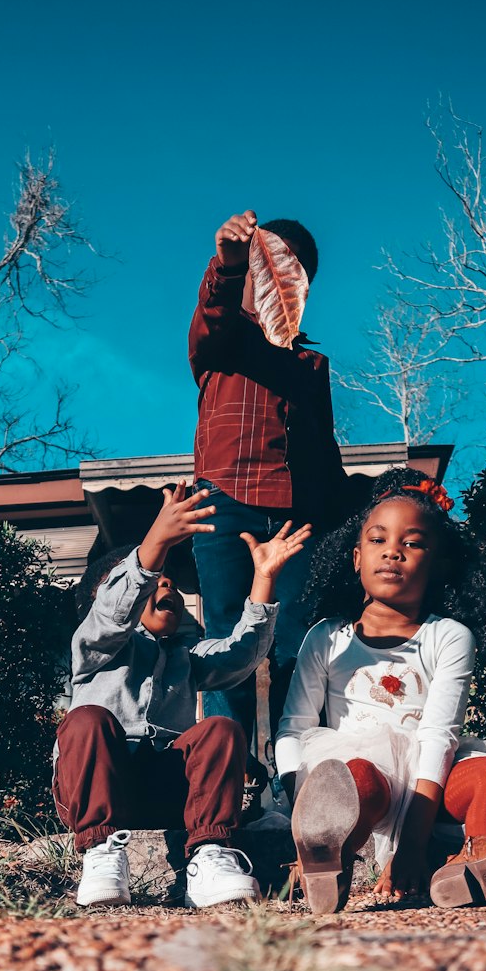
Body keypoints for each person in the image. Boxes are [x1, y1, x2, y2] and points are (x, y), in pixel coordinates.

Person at [275, 468, 486, 914]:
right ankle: (327, 856)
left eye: (412, 543)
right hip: (364, 786)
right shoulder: (326, 637)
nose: (393, 553)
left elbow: (439, 735)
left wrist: (411, 847)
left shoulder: (449, 636)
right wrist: (298, 808)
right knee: (351, 777)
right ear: (356, 557)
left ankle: (475, 866)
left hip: (430, 785)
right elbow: (294, 728)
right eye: (378, 540)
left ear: (439, 562)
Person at [55, 481, 310, 909]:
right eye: (155, 583)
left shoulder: (184, 657)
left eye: (172, 585)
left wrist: (263, 581)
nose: (167, 589)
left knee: (219, 729)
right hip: (99, 789)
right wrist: (156, 542)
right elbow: (114, 610)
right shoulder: (93, 643)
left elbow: (241, 655)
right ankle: (100, 854)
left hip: (168, 792)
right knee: (88, 721)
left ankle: (209, 853)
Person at [188, 208, 354, 809]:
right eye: (272, 261)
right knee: (226, 641)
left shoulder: (310, 365)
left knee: (298, 646)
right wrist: (228, 264)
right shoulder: (225, 340)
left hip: (296, 518)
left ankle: (295, 785)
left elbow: (325, 450)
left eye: (295, 270)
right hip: (225, 504)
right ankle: (227, 787)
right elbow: (209, 319)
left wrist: (357, 513)